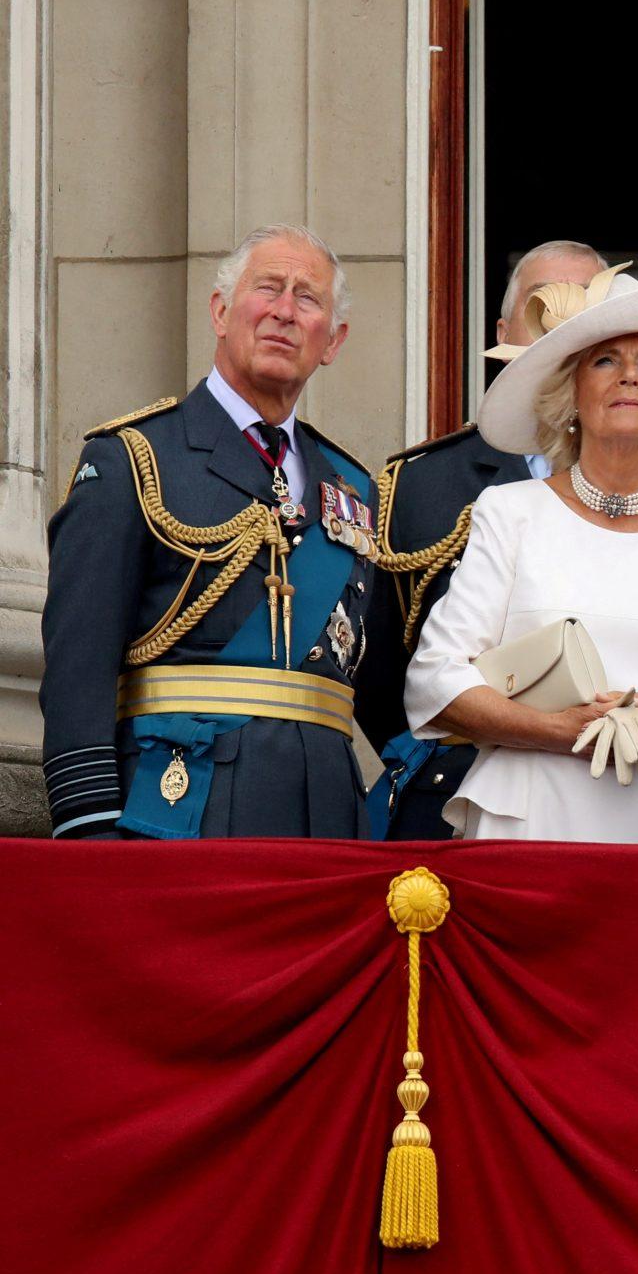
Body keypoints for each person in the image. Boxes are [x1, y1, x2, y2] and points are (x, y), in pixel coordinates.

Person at [364, 242, 638, 837]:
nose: (628, 377)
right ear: (570, 395)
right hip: (535, 821)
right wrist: (565, 731)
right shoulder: (510, 511)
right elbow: (434, 681)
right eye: (603, 361)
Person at [40, 224, 395, 839]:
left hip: (327, 816)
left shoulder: (353, 488)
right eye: (268, 288)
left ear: (332, 341)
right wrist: (90, 827)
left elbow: (380, 681)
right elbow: (79, 662)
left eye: (307, 298)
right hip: (180, 807)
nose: (284, 311)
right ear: (221, 311)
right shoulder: (136, 458)